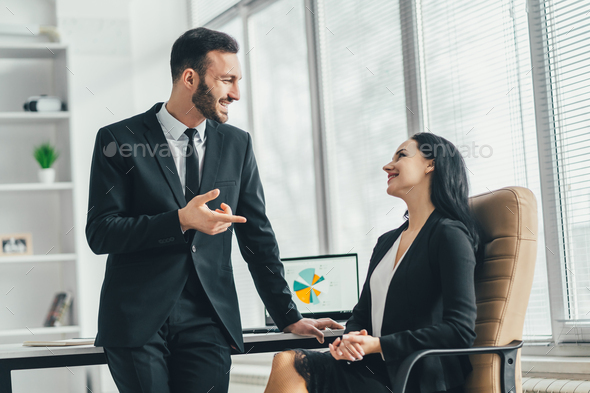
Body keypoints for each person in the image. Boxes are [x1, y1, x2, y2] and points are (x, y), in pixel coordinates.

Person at [85, 27, 343, 393]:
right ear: (190, 78)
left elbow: (257, 236)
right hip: (137, 319)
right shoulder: (119, 140)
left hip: (208, 319)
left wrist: (288, 316)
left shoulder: (237, 144)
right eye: (226, 80)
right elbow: (101, 232)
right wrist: (180, 221)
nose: (236, 93)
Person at [264, 132, 480, 393]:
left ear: (430, 164)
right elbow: (362, 314)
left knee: (290, 362)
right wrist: (350, 339)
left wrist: (378, 345)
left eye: (401, 155)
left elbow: (460, 331)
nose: (387, 166)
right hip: (374, 367)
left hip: (417, 375)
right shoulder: (387, 241)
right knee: (286, 360)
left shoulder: (449, 235)